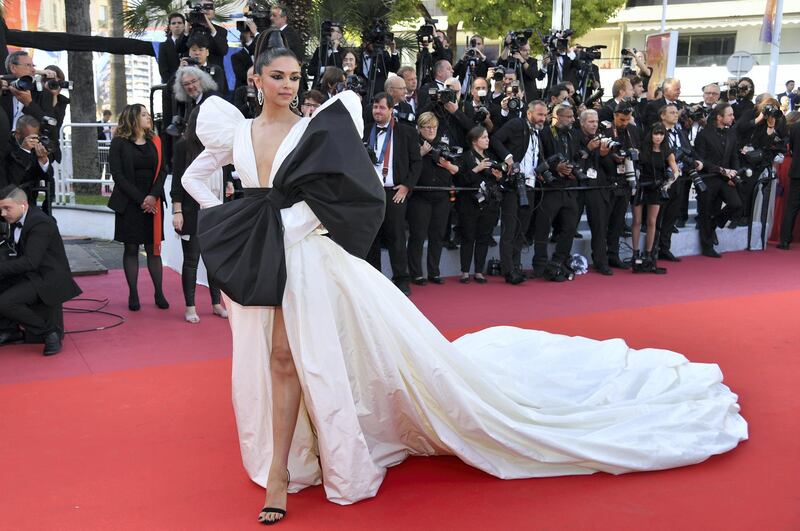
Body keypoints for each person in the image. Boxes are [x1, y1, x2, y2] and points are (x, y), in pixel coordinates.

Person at [181, 46, 747, 524]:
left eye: (294, 77)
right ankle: (291, 463)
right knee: (276, 361)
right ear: (254, 79)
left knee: (301, 359)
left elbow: (345, 195)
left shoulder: (311, 129)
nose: (286, 85)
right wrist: (227, 216)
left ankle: (291, 469)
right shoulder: (237, 130)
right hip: (262, 260)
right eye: (276, 76)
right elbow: (192, 176)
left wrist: (290, 221)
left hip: (305, 260)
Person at [0, 185, 82, 355]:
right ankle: (10, 331)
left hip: (47, 277)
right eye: (0, 209)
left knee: (5, 302)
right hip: (30, 273)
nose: (3, 213)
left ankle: (48, 332)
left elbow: (31, 262)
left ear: (23, 204)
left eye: (7, 208)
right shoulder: (14, 218)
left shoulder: (41, 222)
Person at [107, 104, 169, 311]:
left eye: (148, 114)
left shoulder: (156, 141)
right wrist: (142, 200)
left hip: (153, 203)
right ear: (133, 118)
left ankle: (159, 292)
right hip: (130, 203)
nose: (148, 117)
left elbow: (163, 171)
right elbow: (118, 176)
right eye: (144, 114)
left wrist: (152, 196)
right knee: (131, 248)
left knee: (154, 250)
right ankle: (133, 294)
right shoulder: (118, 143)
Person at [170, 107, 228, 323]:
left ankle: (216, 303)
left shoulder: (220, 145)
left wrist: (228, 184)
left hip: (215, 209)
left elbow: (224, 172)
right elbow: (178, 180)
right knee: (192, 260)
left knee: (214, 261)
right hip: (191, 210)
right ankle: (190, 306)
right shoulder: (184, 146)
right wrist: (177, 211)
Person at [364, 93, 422, 296]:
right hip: (370, 194)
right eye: (375, 107)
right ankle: (373, 280)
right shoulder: (365, 131)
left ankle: (401, 280)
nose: (377, 111)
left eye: (381, 107)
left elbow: (417, 162)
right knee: (371, 239)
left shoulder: (406, 132)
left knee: (397, 237)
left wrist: (406, 186)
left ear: (391, 110)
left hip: (394, 193)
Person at [407, 112, 458, 285]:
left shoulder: (444, 145)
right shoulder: (413, 144)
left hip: (441, 195)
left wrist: (448, 164)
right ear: (419, 128)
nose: (431, 130)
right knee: (418, 235)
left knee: (437, 236)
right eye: (427, 127)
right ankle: (416, 274)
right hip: (420, 196)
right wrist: (420, 153)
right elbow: (404, 169)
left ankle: (434, 272)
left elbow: (456, 168)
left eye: (434, 127)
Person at [694, 103, 743, 258]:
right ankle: (707, 247)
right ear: (719, 117)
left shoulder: (731, 134)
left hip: (725, 179)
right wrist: (721, 171)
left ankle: (714, 224)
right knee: (706, 211)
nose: (733, 117)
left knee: (736, 204)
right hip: (708, 178)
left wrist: (733, 175)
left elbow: (734, 156)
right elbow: (700, 160)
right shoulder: (703, 134)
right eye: (730, 115)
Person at [631, 123, 680, 273]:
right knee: (637, 221)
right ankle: (635, 253)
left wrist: (668, 184)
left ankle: (648, 254)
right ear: (651, 135)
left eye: (661, 134)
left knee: (652, 222)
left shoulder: (667, 151)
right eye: (655, 134)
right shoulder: (642, 148)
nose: (658, 137)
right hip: (641, 186)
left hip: (657, 188)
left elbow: (676, 171)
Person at [457, 125, 502, 283]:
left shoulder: (490, 157)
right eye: (483, 137)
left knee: (483, 237)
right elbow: (460, 180)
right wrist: (477, 168)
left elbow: (495, 180)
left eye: (487, 137)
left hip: (488, 203)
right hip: (469, 202)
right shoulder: (466, 157)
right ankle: (464, 272)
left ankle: (478, 271)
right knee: (468, 237)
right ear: (474, 141)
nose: (487, 140)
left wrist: (497, 177)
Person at [3, 115, 53, 213]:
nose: (34, 140)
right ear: (18, 134)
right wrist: (24, 151)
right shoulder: (5, 146)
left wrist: (43, 161)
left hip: (31, 202)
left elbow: (48, 177)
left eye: (36, 136)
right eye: (30, 137)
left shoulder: (36, 145)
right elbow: (12, 180)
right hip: (9, 200)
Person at [778, 116, 800, 248]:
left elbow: (790, 149)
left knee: (791, 207)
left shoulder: (796, 127)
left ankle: (785, 241)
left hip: (797, 172)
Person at [158, 12, 188, 84]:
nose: (177, 25)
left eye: (179, 23)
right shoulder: (163, 46)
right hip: (171, 85)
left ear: (184, 25)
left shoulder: (190, 43)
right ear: (170, 26)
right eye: (173, 23)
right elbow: (163, 71)